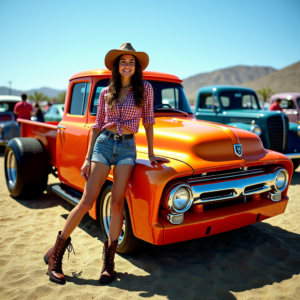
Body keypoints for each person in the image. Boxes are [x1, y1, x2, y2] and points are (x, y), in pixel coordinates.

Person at [44, 43, 170, 285]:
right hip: (103, 145)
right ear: (116, 65)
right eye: (123, 61)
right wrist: (86, 157)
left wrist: (152, 153)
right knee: (87, 201)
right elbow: (97, 125)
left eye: (131, 62)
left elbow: (150, 121)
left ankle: (108, 264)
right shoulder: (105, 92)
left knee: (117, 201)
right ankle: (55, 255)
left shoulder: (145, 89)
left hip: (127, 148)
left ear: (137, 67)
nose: (127, 65)